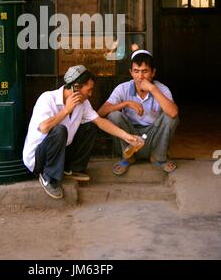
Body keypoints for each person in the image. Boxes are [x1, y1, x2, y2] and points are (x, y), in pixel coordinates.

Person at [22, 65, 143, 200]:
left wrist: (127, 137)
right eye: (89, 90)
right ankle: (48, 177)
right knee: (59, 130)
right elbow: (43, 128)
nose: (91, 94)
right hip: (38, 159)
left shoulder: (82, 103)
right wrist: (66, 111)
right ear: (76, 87)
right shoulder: (47, 99)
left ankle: (71, 169)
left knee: (90, 126)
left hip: (60, 152)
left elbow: (100, 122)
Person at [98, 49, 179, 176]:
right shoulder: (123, 88)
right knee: (114, 115)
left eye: (145, 71)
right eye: (136, 71)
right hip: (131, 137)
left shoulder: (161, 88)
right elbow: (101, 112)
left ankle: (158, 156)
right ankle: (128, 157)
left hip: (153, 137)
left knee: (170, 117)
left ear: (153, 73)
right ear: (131, 72)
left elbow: (174, 113)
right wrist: (126, 103)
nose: (140, 77)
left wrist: (153, 89)